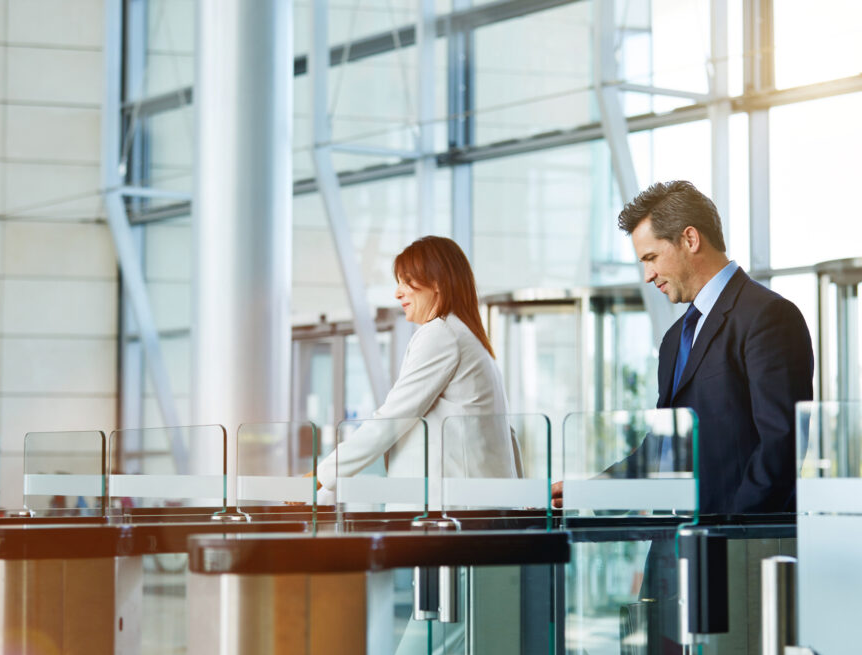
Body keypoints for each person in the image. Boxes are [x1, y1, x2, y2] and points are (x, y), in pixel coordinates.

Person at [553, 180, 813, 513]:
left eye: (651, 258)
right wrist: (592, 493)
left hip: (730, 551)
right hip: (672, 549)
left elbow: (781, 448)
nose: (648, 275)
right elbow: (661, 450)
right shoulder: (676, 337)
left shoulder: (769, 317)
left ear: (690, 239)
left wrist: (729, 541)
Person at [314, 235, 519, 502]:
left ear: (436, 283)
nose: (398, 293)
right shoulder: (466, 335)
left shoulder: (442, 333)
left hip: (451, 512)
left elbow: (392, 418)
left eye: (406, 282)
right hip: (473, 505)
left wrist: (323, 474)